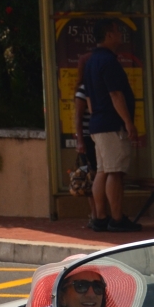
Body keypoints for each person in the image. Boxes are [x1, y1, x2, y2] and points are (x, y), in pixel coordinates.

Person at [82, 19, 143, 233]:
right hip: (111, 124)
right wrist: (128, 122)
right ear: (108, 34)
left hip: (97, 123)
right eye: (117, 31)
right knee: (115, 171)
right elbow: (116, 94)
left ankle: (100, 216)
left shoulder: (90, 62)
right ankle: (116, 218)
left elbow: (89, 97)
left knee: (103, 170)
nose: (120, 35)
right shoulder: (109, 62)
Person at [72, 60, 98, 227]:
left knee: (95, 175)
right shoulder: (83, 90)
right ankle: (95, 214)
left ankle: (97, 213)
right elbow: (78, 117)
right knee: (92, 176)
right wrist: (80, 140)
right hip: (88, 137)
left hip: (94, 136)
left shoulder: (93, 88)